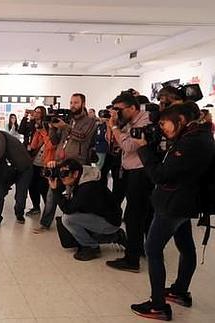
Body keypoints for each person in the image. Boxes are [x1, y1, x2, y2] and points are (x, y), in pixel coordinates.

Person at [130, 102, 215, 321]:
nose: (162, 128)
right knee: (185, 246)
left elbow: (160, 175)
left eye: (164, 123)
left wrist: (143, 148)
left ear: (181, 120)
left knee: (153, 248)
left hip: (175, 203)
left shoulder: (192, 142)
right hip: (184, 201)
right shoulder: (198, 135)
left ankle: (158, 305)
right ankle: (179, 291)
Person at [105, 92, 154, 273]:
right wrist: (113, 127)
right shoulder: (128, 123)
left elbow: (128, 146)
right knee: (140, 214)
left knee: (134, 216)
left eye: (119, 109)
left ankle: (132, 260)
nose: (116, 113)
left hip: (141, 172)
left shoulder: (145, 121)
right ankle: (140, 250)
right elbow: (114, 144)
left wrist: (116, 128)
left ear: (132, 108)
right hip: (132, 171)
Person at [34, 93, 97, 233]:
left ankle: (72, 225)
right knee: (52, 191)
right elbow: (55, 141)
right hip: (60, 162)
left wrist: (65, 126)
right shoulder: (68, 120)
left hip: (78, 164)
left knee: (73, 196)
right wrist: (52, 127)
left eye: (76, 102)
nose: (72, 105)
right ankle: (45, 223)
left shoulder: (90, 121)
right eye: (71, 102)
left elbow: (83, 137)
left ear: (83, 104)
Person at [47, 159, 124, 261]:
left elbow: (68, 209)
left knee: (67, 219)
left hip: (110, 222)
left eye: (64, 174)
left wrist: (55, 190)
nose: (62, 177)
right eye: (60, 174)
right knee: (71, 220)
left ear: (76, 173)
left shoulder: (87, 187)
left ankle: (92, 247)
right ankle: (114, 236)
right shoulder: (84, 176)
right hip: (102, 216)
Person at [26, 106, 54, 217]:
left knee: (43, 188)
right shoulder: (38, 132)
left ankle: (47, 211)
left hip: (46, 164)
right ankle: (36, 207)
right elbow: (33, 145)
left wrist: (43, 132)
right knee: (32, 185)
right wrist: (38, 132)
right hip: (35, 163)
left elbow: (51, 146)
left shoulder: (49, 134)